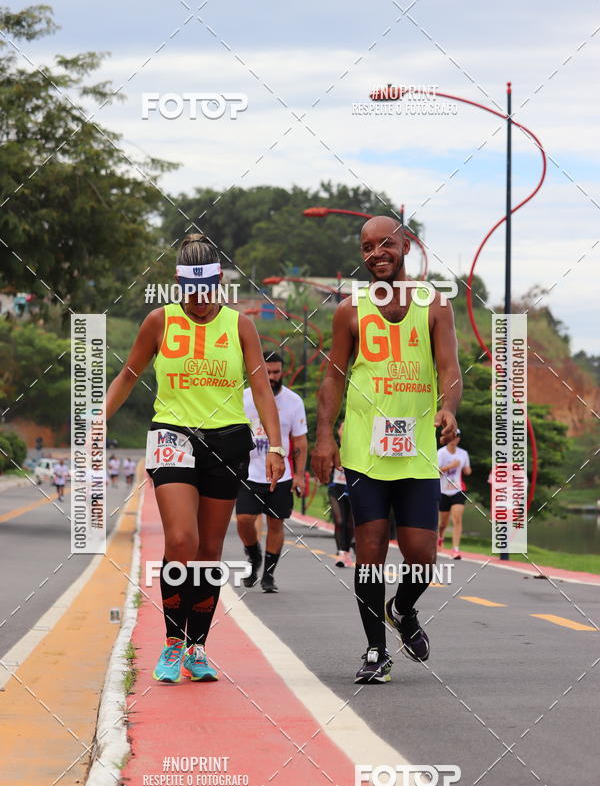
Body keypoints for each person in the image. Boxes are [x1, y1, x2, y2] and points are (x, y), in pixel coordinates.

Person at [106, 234, 285, 683]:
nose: (201, 301)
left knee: (208, 551)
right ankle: (171, 643)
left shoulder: (240, 325)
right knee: (181, 541)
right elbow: (128, 374)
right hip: (172, 434)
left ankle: (197, 648)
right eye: (192, 291)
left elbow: (261, 389)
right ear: (179, 284)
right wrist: (98, 419)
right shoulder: (158, 321)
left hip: (227, 440)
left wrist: (277, 446)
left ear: (219, 282)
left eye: (208, 291)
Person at [312, 216, 461, 683]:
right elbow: (334, 376)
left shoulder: (434, 304)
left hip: (416, 449)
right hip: (364, 451)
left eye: (386, 244)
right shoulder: (349, 311)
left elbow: (449, 369)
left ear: (406, 247)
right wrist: (324, 434)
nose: (376, 253)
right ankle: (376, 651)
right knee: (370, 549)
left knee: (422, 557)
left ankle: (403, 607)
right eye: (367, 247)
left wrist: (449, 408)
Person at [236, 351, 308, 593]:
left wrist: (298, 475)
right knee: (244, 520)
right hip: (249, 473)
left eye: (276, 372)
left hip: (281, 475)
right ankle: (253, 554)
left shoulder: (294, 402)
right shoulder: (242, 398)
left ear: (282, 372)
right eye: (267, 372)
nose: (272, 377)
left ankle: (268, 575)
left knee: (276, 524)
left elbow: (299, 442)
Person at [438, 429, 471, 559]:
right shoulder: (441, 453)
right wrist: (451, 466)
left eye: (456, 437)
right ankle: (440, 537)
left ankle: (455, 549)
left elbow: (467, 471)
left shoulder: (463, 453)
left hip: (458, 490)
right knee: (443, 523)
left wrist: (467, 469)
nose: (453, 439)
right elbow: (436, 471)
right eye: (451, 437)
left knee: (457, 518)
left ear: (458, 439)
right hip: (443, 491)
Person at [327, 422, 355, 567]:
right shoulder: (334, 447)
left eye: (348, 428)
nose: (345, 431)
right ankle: (340, 553)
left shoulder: (357, 447)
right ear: (338, 431)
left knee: (350, 524)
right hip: (335, 488)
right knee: (339, 521)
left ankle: (347, 551)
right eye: (343, 428)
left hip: (352, 488)